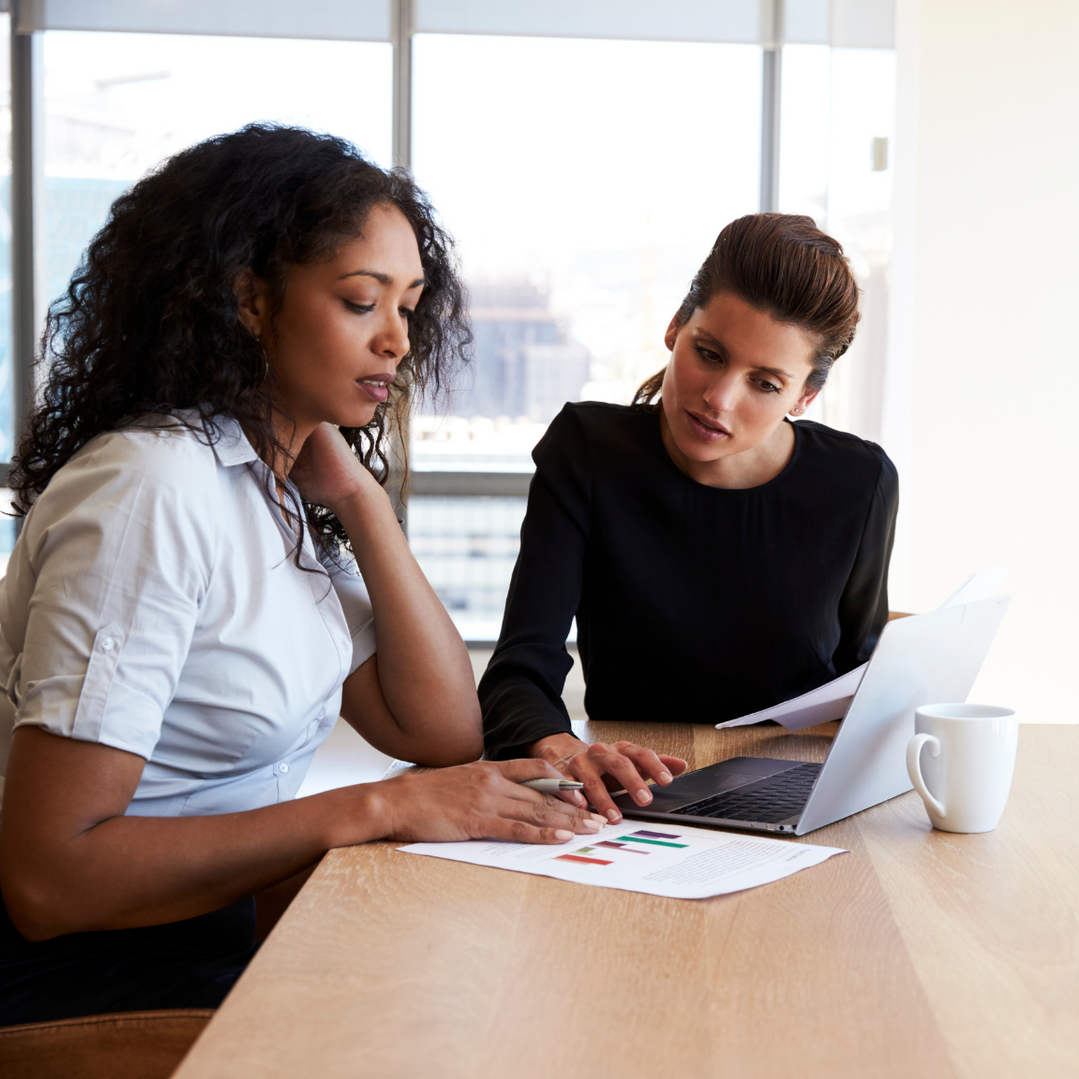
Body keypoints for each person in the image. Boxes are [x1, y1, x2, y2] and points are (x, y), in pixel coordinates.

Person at [0, 125, 604, 1026]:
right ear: (250, 301)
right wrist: (376, 807)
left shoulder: (269, 488)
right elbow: (51, 881)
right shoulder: (153, 488)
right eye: (362, 301)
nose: (398, 341)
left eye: (410, 304)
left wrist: (360, 501)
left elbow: (438, 729)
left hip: (214, 937)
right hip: (89, 985)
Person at [479, 213, 898, 824]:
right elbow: (519, 670)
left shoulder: (859, 484)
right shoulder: (587, 452)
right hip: (637, 800)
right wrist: (564, 751)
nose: (720, 398)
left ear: (804, 397)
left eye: (765, 382)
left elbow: (865, 680)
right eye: (709, 354)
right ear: (676, 328)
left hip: (799, 799)